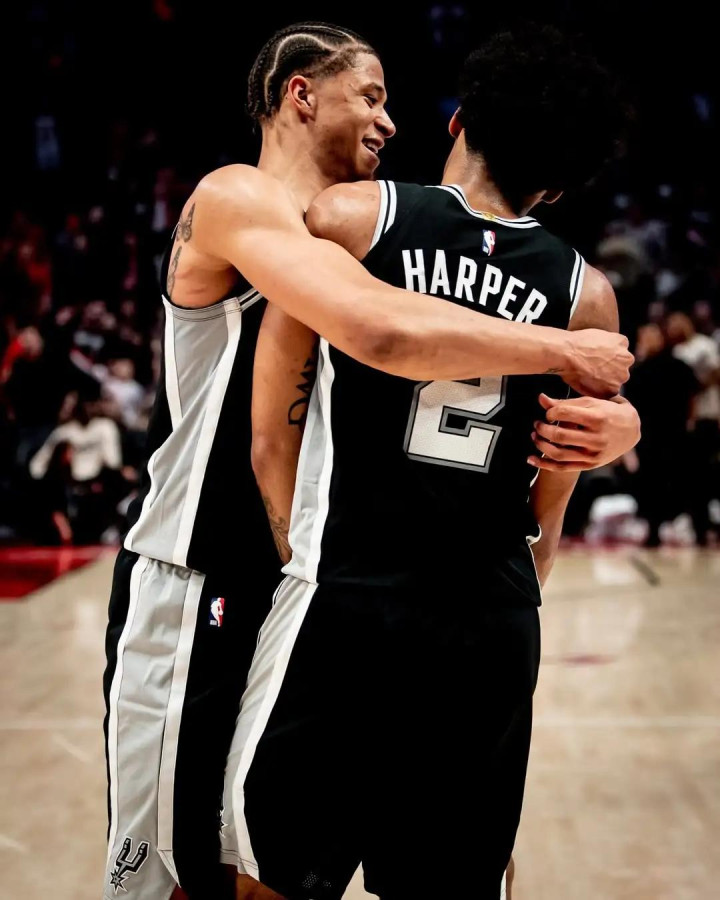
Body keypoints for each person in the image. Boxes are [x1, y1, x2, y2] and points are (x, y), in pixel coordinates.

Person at [102, 22, 634, 900]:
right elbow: (378, 327)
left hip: (305, 582)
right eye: (372, 97)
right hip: (204, 573)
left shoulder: (364, 222)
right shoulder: (242, 197)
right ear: (301, 93)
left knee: (255, 865)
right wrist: (571, 349)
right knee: (177, 879)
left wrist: (616, 418)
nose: (391, 121)